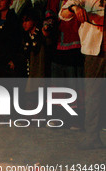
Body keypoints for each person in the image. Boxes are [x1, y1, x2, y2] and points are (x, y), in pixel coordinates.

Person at [60, 0, 105, 149]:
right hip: (94, 49)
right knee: (93, 94)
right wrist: (74, 8)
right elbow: (63, 13)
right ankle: (92, 136)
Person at [46, 0, 85, 130]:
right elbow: (50, 12)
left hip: (77, 44)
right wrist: (47, 26)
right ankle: (57, 117)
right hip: (57, 43)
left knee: (74, 82)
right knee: (58, 82)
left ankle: (76, 119)